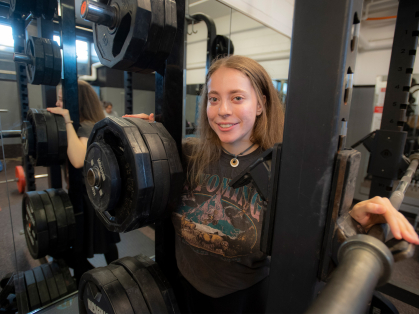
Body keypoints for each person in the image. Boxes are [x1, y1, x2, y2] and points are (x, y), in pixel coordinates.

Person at [133, 55, 419, 313]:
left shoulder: (286, 170)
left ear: (260, 105)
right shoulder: (186, 153)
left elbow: (314, 235)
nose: (222, 110)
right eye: (214, 98)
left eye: (237, 98)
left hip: (246, 298)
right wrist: (134, 140)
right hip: (183, 287)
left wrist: (350, 220)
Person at [48, 80, 120, 282]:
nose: (57, 102)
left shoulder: (87, 126)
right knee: (101, 243)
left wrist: (68, 121)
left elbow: (78, 160)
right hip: (88, 193)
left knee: (101, 242)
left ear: (75, 100)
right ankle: (99, 277)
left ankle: (110, 280)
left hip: (91, 197)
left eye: (62, 98)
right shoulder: (86, 125)